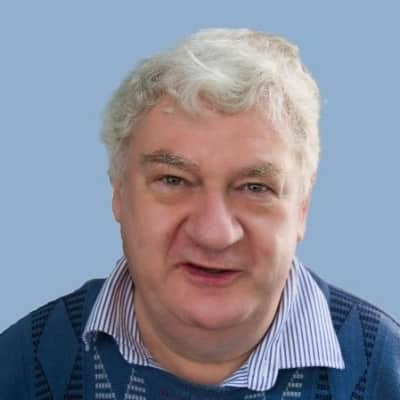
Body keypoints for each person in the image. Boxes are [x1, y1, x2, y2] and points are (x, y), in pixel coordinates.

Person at [1, 28, 399, 400]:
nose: (214, 233)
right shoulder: (21, 368)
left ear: (302, 207)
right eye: (173, 180)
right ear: (118, 192)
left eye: (255, 187)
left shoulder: (384, 372)